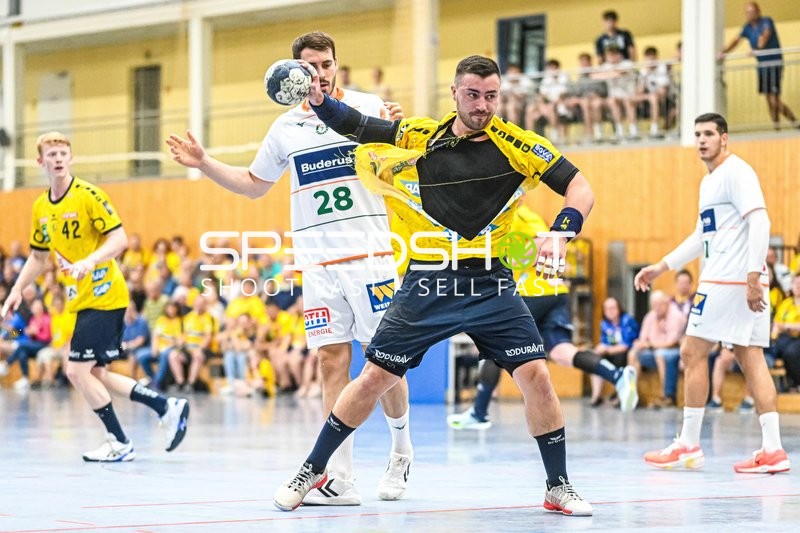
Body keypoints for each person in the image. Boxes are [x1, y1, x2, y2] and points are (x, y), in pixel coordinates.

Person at [273, 54, 594, 516]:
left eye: (491, 96)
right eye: (473, 95)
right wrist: (322, 103)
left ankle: (558, 485)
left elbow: (580, 187)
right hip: (428, 280)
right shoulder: (423, 135)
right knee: (374, 378)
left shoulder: (518, 145)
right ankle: (314, 468)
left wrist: (562, 230)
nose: (482, 105)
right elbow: (361, 126)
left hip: (490, 284)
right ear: (455, 93)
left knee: (537, 377)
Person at [167, 31, 413, 504]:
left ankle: (401, 450)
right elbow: (254, 184)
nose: (317, 73)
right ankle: (340, 477)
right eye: (307, 67)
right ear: (294, 72)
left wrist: (395, 131)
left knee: (384, 362)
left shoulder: (370, 108)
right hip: (317, 262)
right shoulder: (285, 128)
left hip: (370, 257)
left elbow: (403, 163)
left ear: (336, 65)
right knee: (330, 360)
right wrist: (203, 162)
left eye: (324, 64)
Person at [1, 131, 189, 462]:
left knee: (75, 371)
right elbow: (39, 256)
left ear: (70, 158)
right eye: (51, 154)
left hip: (104, 295)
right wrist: (16, 289)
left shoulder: (88, 195)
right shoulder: (41, 206)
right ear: (40, 161)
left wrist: (90, 261)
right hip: (82, 299)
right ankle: (166, 406)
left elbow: (119, 239)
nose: (58, 158)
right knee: (96, 373)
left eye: (63, 152)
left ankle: (119, 441)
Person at [634, 113, 789, 473]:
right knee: (751, 357)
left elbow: (760, 220)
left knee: (691, 351)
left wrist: (752, 276)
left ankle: (688, 445)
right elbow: (701, 236)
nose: (702, 140)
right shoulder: (710, 183)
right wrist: (662, 266)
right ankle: (773, 449)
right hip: (735, 281)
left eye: (709, 134)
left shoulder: (737, 171)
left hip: (729, 281)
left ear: (725, 138)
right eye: (697, 134)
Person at [447, 204, 639, 430]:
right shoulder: (496, 220)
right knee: (562, 352)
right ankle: (617, 375)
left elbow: (545, 243)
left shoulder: (520, 216)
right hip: (555, 293)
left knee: (492, 344)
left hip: (535, 291)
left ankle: (479, 413)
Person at [719, 2, 798, 130]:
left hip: (774, 64)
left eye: (751, 12)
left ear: (758, 12)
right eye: (747, 12)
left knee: (774, 99)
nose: (749, 15)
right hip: (762, 67)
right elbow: (736, 41)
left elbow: (765, 36)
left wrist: (756, 49)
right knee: (768, 99)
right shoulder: (747, 27)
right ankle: (777, 128)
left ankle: (795, 123)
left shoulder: (766, 21)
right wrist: (722, 53)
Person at [627, 290, 685, 408]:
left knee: (661, 354)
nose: (656, 308)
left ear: (667, 303)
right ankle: (631, 394)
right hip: (653, 350)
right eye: (654, 305)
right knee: (633, 353)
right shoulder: (650, 316)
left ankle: (665, 396)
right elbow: (643, 338)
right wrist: (640, 344)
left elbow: (671, 342)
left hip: (676, 351)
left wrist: (649, 345)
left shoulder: (677, 316)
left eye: (660, 305)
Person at [591, 297, 640, 406]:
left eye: (613, 308)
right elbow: (604, 342)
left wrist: (607, 349)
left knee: (622, 359)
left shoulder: (627, 320)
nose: (610, 311)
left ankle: (621, 397)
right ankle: (596, 396)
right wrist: (600, 349)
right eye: (607, 309)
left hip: (626, 353)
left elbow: (626, 345)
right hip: (612, 353)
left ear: (619, 308)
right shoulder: (604, 324)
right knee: (594, 360)